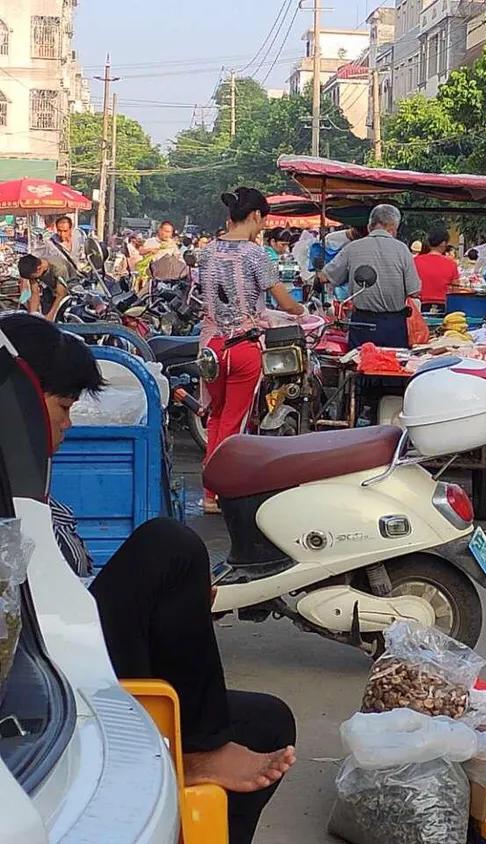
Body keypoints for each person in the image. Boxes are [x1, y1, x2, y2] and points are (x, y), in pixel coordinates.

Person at [0, 313, 296, 844]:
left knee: (269, 721)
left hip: (66, 647)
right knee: (171, 545)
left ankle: (201, 777)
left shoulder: (33, 487)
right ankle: (198, 750)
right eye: (63, 407)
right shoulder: (14, 490)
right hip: (50, 666)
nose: (68, 425)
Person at [197, 188, 305, 514]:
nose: (262, 227)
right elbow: (284, 301)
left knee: (216, 417)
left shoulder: (207, 251)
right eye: (263, 220)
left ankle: (208, 491)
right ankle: (219, 492)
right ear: (256, 215)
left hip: (211, 349)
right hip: (243, 348)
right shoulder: (256, 254)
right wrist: (301, 311)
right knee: (234, 423)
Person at [323, 204, 421, 350]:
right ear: (394, 227)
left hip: (362, 323)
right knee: (393, 367)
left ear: (370, 226)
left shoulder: (352, 248)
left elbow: (326, 277)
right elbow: (414, 291)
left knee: (360, 366)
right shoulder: (402, 250)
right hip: (394, 325)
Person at [414, 225, 461, 308]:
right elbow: (455, 290)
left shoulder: (415, 261)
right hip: (444, 306)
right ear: (443, 243)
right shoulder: (451, 264)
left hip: (419, 305)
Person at [17, 255, 68, 321]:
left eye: (33, 277)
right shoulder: (33, 269)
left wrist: (50, 316)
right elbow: (34, 293)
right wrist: (33, 316)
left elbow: (61, 295)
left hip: (68, 291)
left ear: (39, 269)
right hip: (51, 290)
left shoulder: (59, 268)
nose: (33, 279)